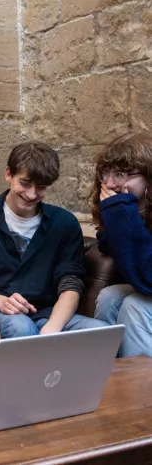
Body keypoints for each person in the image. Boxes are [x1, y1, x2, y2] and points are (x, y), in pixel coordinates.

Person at [0, 141, 107, 339]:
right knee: (21, 327)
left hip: (48, 315)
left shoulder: (64, 223)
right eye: (25, 183)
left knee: (101, 332)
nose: (31, 194)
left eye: (41, 187)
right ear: (8, 175)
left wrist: (51, 330)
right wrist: (0, 301)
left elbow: (71, 283)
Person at [92, 133, 152, 357]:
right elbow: (109, 247)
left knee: (135, 306)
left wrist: (122, 213)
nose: (109, 183)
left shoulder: (125, 209)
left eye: (120, 174)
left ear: (149, 177)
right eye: (106, 174)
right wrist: (119, 214)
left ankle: (139, 387)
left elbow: (148, 278)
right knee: (109, 298)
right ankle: (106, 373)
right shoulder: (130, 207)